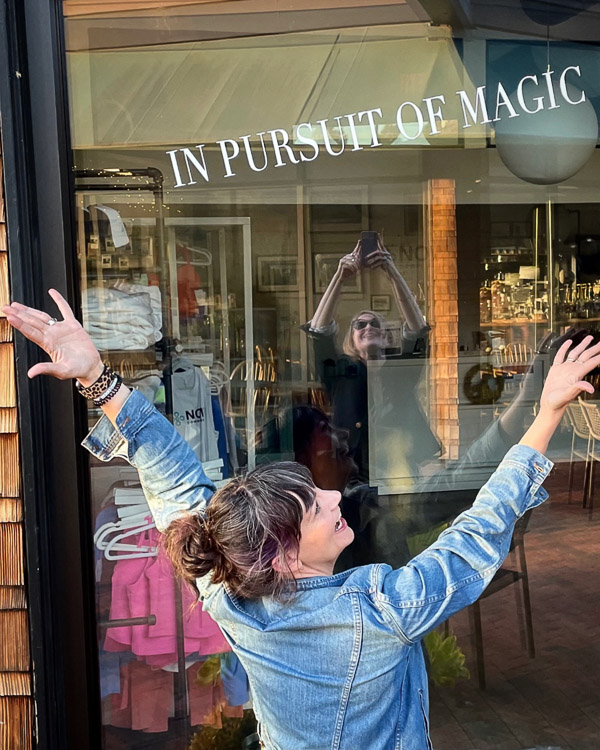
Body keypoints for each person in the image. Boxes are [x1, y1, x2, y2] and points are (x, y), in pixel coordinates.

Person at [5, 289, 600, 750]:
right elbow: (476, 535)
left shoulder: (232, 589)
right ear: (284, 554)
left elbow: (174, 474)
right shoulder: (378, 611)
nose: (335, 498)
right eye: (316, 505)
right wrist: (547, 410)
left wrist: (98, 379)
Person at [304, 237, 440, 486]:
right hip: (350, 470)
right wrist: (340, 277)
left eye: (375, 323)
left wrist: (392, 271)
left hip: (399, 470)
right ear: (351, 339)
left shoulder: (401, 370)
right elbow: (319, 331)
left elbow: (418, 330)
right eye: (360, 324)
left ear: (386, 336)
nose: (368, 327)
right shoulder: (341, 372)